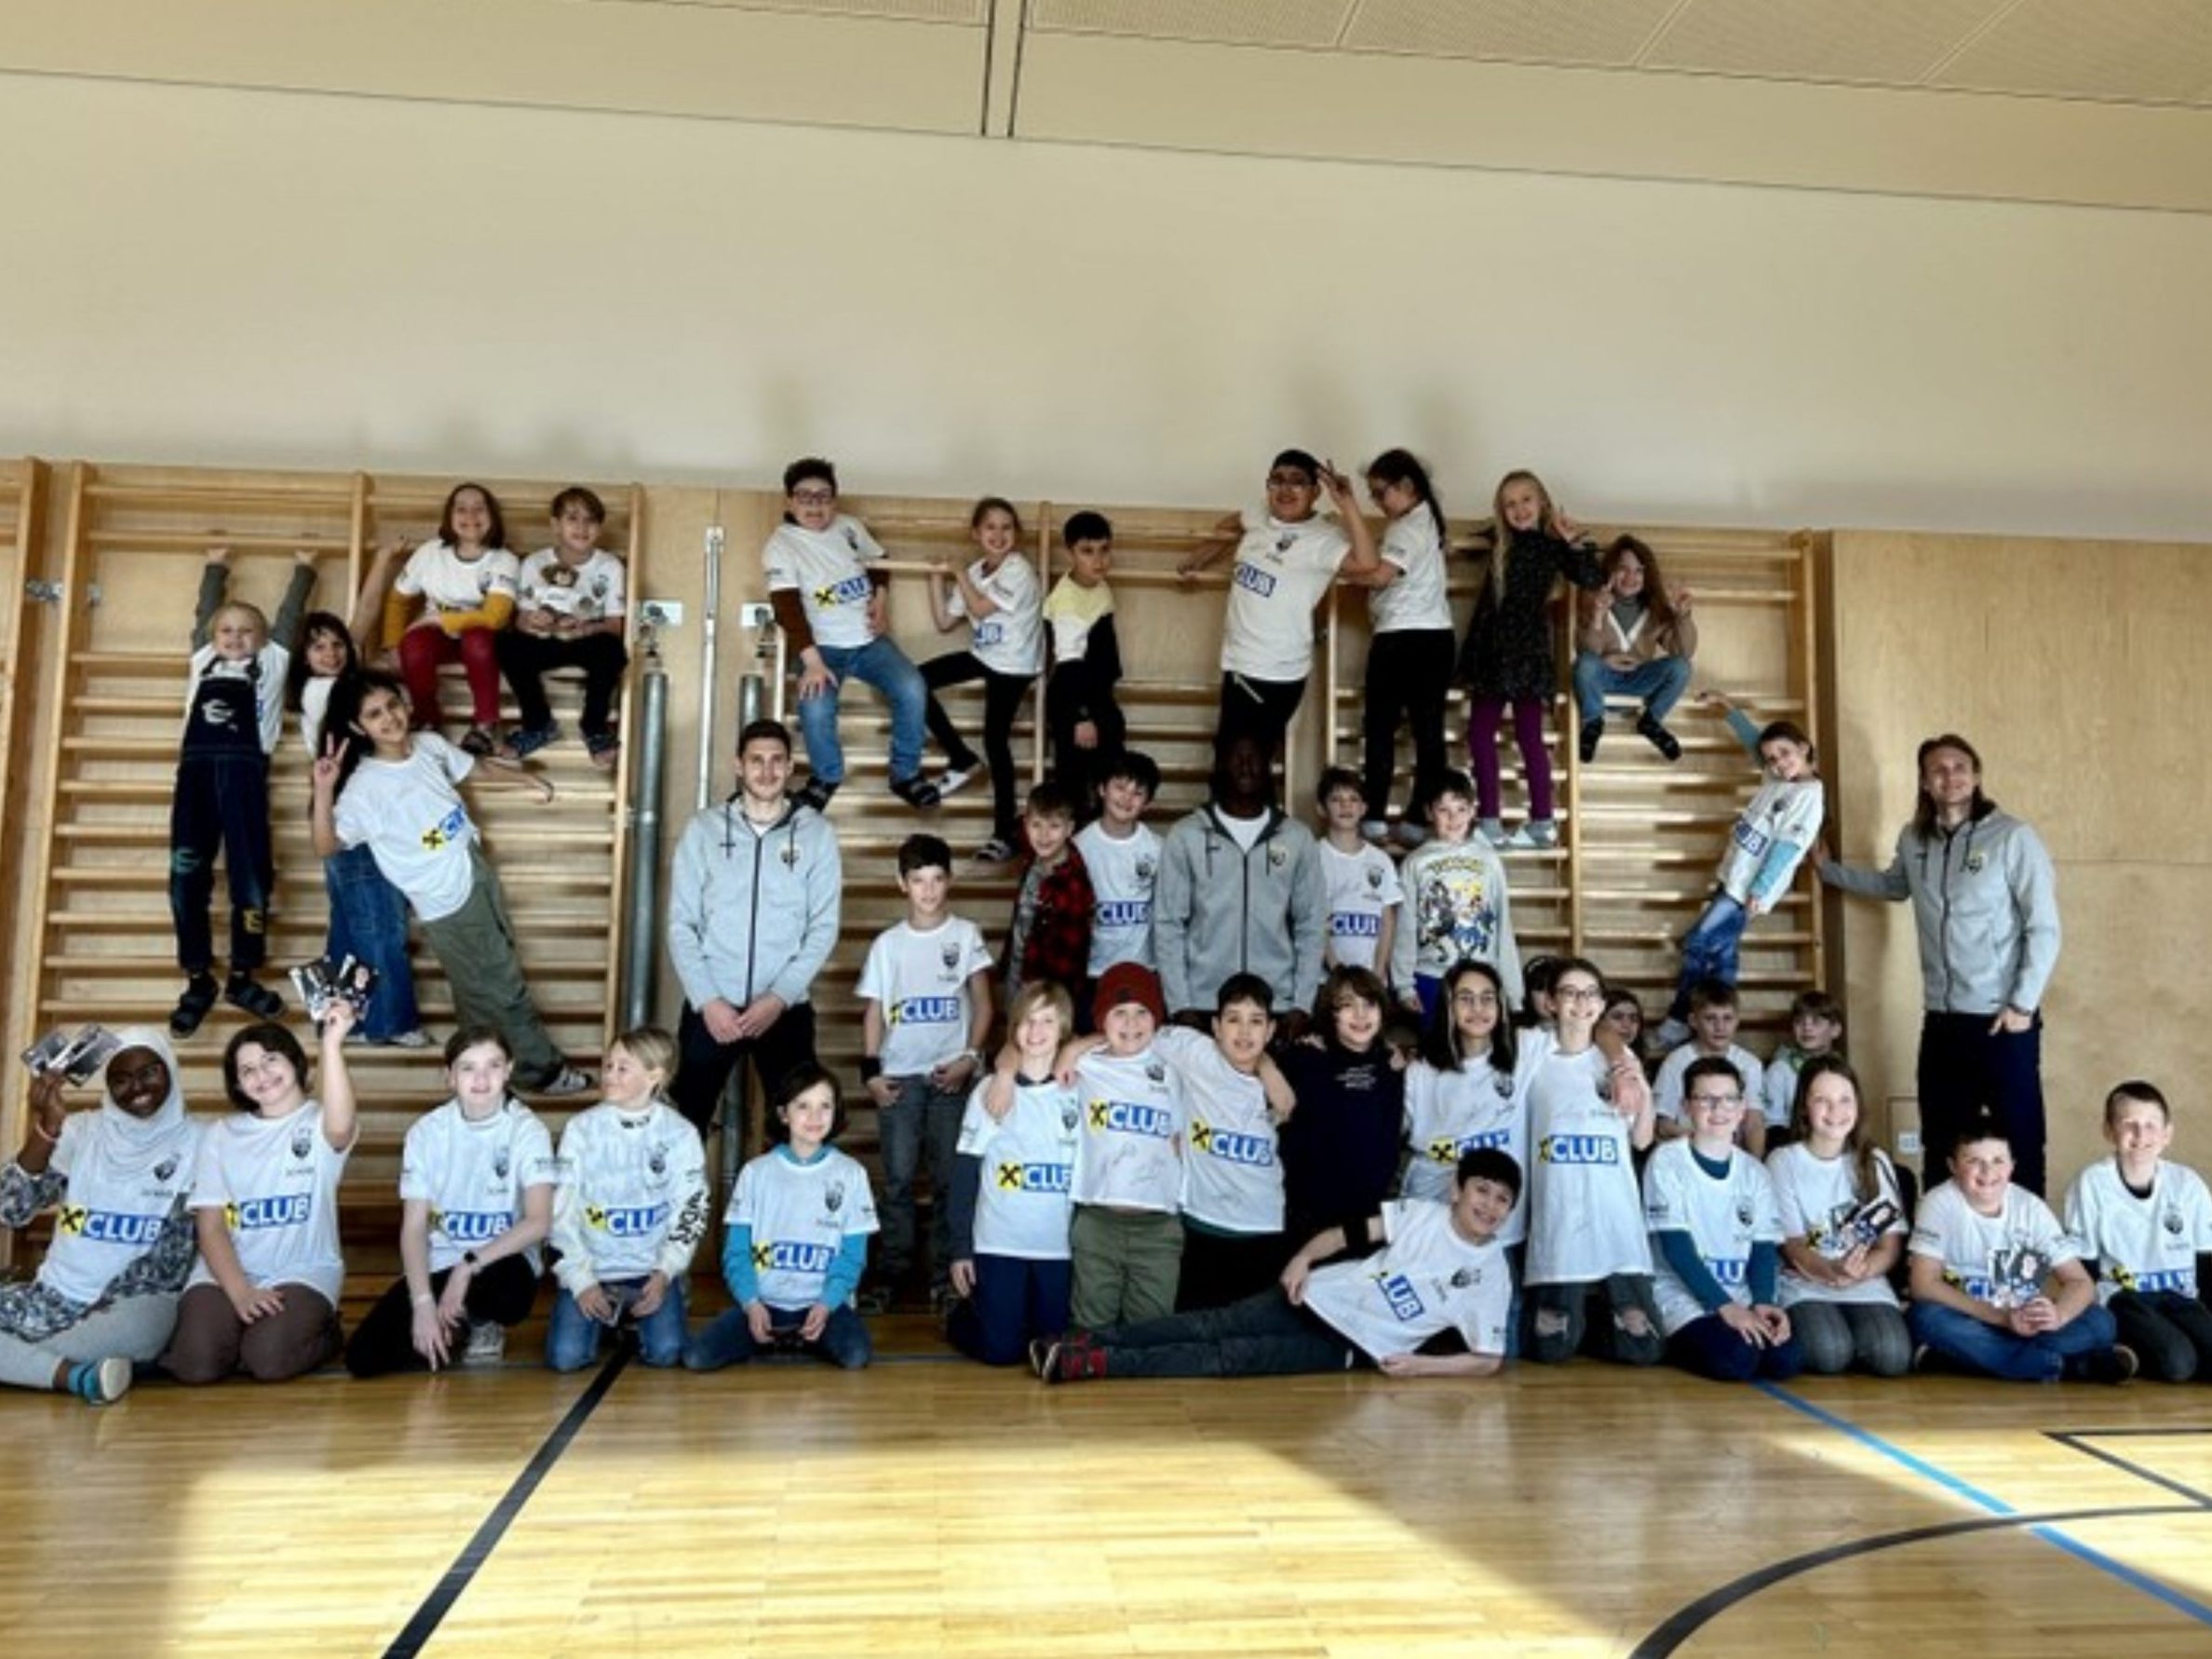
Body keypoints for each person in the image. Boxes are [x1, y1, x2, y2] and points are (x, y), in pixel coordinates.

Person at [313, 672, 589, 1095]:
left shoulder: (428, 745)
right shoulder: (365, 788)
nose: (389, 718)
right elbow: (326, 844)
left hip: (474, 870)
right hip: (446, 900)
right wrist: (324, 790)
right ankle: (541, 1071)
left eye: (392, 705)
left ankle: (479, 1070)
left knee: (480, 988)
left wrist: (527, 779)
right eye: (374, 714)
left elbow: (476, 767)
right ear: (358, 726)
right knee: (503, 986)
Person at [1036, 1148, 1519, 1383]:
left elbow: (1488, 1359)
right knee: (1212, 1324)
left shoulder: (1492, 1274)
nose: (1490, 1206)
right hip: (1311, 1295)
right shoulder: (1422, 1215)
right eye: (1481, 1190)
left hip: (1347, 1345)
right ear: (1457, 1190)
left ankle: (1095, 1364)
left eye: (1502, 1200)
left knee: (1228, 1357)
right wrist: (1302, 1258)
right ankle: (1092, 1340)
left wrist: (1421, 1366)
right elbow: (1345, 1235)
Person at [1818, 734, 2060, 1193]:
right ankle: (1937, 1235)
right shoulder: (1914, 839)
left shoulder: (2013, 837)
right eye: (1939, 769)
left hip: (2002, 1021)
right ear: (1925, 782)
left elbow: (2044, 928)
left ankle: (2026, 1237)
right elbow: (1893, 886)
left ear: (1977, 776)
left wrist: (2022, 1005)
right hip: (1944, 1021)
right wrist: (1828, 871)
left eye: (1960, 767)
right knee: (1942, 1141)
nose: (1951, 776)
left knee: (2021, 1141)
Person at [344, 1026, 558, 1376]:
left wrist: (467, 1267)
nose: (481, 1079)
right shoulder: (427, 1132)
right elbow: (414, 1228)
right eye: (468, 1067)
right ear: (450, 1076)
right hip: (441, 1262)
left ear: (508, 1070)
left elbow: (539, 1222)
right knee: (363, 1359)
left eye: (492, 1066)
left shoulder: (527, 1130)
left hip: (499, 1263)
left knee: (508, 1293)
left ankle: (481, 1319)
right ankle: (454, 1323)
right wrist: (422, 1303)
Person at [0, 1032, 200, 1404]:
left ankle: (30, 1364)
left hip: (133, 1303)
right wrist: (48, 1127)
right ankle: (77, 1376)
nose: (136, 1088)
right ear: (107, 1086)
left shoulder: (201, 1143)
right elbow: (10, 1207)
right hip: (53, 1298)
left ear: (170, 1070)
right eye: (121, 1079)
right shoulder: (81, 1131)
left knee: (140, 1330)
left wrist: (105, 1297)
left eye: (149, 1072)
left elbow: (176, 1259)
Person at [164, 1008, 358, 1383]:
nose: (262, 1074)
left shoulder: (319, 1123)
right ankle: (239, 1334)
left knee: (268, 1360)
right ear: (238, 1085)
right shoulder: (220, 1134)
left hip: (302, 1271)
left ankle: (327, 1330)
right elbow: (211, 1227)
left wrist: (332, 1043)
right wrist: (240, 1292)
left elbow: (340, 1126)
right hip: (228, 1273)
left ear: (295, 1062)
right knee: (197, 1365)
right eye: (248, 1070)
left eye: (271, 1060)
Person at [665, 719, 840, 1136]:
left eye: (777, 761)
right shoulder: (704, 829)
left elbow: (823, 927)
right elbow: (681, 924)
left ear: (790, 767)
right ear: (738, 766)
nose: (767, 770)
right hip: (712, 1008)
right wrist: (708, 1000)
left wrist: (779, 997)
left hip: (784, 1009)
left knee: (800, 1129)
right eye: (756, 760)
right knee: (684, 1125)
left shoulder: (817, 834)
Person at [168, 546, 316, 1035]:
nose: (235, 638)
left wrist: (304, 568)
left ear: (264, 637)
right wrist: (215, 566)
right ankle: (197, 979)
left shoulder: (273, 661)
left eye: (246, 631)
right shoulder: (202, 658)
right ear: (212, 638)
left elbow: (290, 617)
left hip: (245, 779)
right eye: (226, 631)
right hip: (194, 781)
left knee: (251, 877)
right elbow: (205, 612)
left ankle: (241, 976)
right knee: (186, 878)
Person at [287, 545, 425, 1047]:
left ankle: (343, 1018)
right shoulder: (325, 693)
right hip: (354, 819)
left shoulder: (343, 683)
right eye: (317, 647)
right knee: (381, 925)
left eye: (336, 644)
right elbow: (362, 629)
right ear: (303, 659)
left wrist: (384, 562)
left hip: (342, 816)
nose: (331, 653)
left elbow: (362, 621)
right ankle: (392, 1022)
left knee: (349, 926)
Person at [858, 832, 995, 1311]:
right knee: (897, 1180)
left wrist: (970, 1058)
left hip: (949, 1077)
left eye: (937, 879)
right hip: (900, 1077)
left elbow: (984, 1004)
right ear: (902, 884)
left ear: (949, 880)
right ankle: (892, 1273)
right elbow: (874, 1012)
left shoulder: (966, 935)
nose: (929, 890)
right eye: (919, 880)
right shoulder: (887, 945)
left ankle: (944, 1276)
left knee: (947, 1180)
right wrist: (871, 1072)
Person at [1176, 450, 1381, 763]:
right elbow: (1233, 523)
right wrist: (1200, 557)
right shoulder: (1259, 514)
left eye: (1297, 482)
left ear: (1315, 492)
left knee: (1245, 763)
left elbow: (1367, 564)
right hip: (1238, 663)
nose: (1285, 490)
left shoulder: (1324, 539)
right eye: (1277, 480)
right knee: (1231, 758)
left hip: (1276, 671)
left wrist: (1347, 504)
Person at [762, 456, 938, 812]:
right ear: (790, 501)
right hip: (821, 647)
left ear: (834, 499)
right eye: (805, 497)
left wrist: (880, 601)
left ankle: (905, 774)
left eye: (823, 496)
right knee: (815, 707)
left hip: (868, 641)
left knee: (912, 687)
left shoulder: (849, 527)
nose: (815, 505)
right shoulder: (781, 545)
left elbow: (880, 563)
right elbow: (787, 610)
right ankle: (826, 776)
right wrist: (812, 663)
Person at [1906, 1114, 2135, 1383]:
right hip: (1971, 1317)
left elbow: (2080, 1282)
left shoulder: (2031, 1207)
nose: (1988, 1172)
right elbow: (1923, 1284)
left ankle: (1965, 1360)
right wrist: (2000, 1318)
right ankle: (2069, 1367)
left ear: (2012, 1166)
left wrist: (2058, 1316)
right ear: (1953, 1166)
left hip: (2027, 1323)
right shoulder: (1938, 1203)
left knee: (2101, 1322)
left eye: (1998, 1161)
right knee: (1926, 1319)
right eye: (1974, 1161)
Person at [684, 1065, 879, 1371]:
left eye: (824, 1106)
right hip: (764, 1303)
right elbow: (737, 1252)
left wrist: (826, 1304)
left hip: (822, 1306)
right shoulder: (756, 1173)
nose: (815, 1117)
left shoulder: (851, 1174)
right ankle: (774, 1334)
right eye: (803, 1106)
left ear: (836, 1112)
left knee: (856, 1355)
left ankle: (803, 1336)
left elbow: (852, 1256)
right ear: (783, 1114)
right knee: (697, 1358)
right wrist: (751, 1303)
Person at [1656, 694, 1823, 1045]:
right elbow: (1753, 741)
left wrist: (1759, 890)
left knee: (1698, 943)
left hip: (1746, 890)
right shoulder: (1776, 780)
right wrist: (1728, 708)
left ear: (1804, 748)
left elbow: (1786, 849)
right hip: (1733, 879)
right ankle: (1718, 1025)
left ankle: (1680, 1017)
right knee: (1722, 955)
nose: (1779, 763)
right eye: (1772, 759)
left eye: (1786, 754)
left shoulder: (1808, 796)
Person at [1524, 958, 1663, 1367]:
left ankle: (1598, 1316)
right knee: (1551, 1348)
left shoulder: (1619, 1060)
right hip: (1559, 1221)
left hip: (1614, 1218)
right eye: (1569, 993)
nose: (1580, 1002)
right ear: (1551, 1002)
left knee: (1644, 1347)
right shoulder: (1532, 1051)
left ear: (1601, 1004)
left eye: (1590, 994)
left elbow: (1642, 1138)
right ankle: (1579, 1320)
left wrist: (1636, 1084)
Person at [1455, 470, 1604, 848]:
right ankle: (1495, 819)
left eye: (1526, 500)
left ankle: (1539, 820)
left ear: (1543, 503)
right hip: (1494, 649)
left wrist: (1572, 541)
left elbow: (1591, 577)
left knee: (1527, 736)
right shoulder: (1500, 541)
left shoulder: (1552, 545)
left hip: (1523, 650)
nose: (1519, 509)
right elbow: (1470, 539)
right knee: (1482, 734)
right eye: (1510, 504)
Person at [546, 1028, 708, 1372]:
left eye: (623, 1068)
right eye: (608, 1066)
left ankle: (645, 1311)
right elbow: (560, 1214)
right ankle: (608, 1318)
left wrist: (665, 1273)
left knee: (667, 1353)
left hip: (649, 1273)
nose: (610, 1075)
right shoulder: (580, 1129)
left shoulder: (681, 1134)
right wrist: (581, 1282)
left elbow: (691, 1211)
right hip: (593, 1270)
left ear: (655, 1076)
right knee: (566, 1358)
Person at [944, 981, 1080, 1366]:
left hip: (1058, 1246)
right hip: (999, 1242)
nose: (1036, 1032)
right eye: (1027, 1021)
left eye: (1047, 1021)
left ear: (1063, 1029)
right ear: (1014, 1027)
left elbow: (1119, 1040)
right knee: (1001, 1351)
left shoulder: (1079, 1087)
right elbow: (965, 1173)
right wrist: (960, 1249)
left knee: (1050, 1343)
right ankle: (963, 1313)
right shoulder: (990, 1090)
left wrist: (1076, 1049)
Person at [1153, 733, 1326, 1033]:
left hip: (1276, 1005)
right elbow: (1168, 924)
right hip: (1203, 1004)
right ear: (1221, 764)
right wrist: (1180, 1003)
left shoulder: (1297, 837)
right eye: (1237, 757)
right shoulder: (1185, 835)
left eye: (1254, 758)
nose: (1246, 766)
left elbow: (1311, 925)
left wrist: (1302, 1004)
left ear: (1268, 765)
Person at [1645, 1058, 1802, 1382]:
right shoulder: (1667, 1161)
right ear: (1686, 1106)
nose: (1719, 1109)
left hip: (1740, 1295)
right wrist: (1724, 1307)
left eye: (1729, 1099)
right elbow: (1676, 1249)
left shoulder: (1755, 1172)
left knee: (1785, 1360)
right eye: (1706, 1099)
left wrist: (1762, 1303)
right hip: (1684, 1297)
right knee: (1736, 1359)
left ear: (1742, 1108)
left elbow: (1762, 1248)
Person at [1766, 1056, 1911, 1378]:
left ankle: (1862, 1338)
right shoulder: (1783, 1161)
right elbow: (1791, 1245)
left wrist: (1860, 1271)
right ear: (1804, 1107)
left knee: (1892, 1356)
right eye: (1822, 1100)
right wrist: (1832, 1270)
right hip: (1806, 1282)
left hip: (1865, 1282)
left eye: (1845, 1099)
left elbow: (1889, 1246)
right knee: (1829, 1353)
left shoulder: (1874, 1160)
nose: (1835, 1111)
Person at [919, 496, 1044, 861]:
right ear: (976, 533)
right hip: (985, 656)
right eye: (990, 527)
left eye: (1006, 527)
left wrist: (957, 572)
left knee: (995, 740)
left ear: (1016, 534)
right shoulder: (974, 572)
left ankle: (1005, 833)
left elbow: (979, 608)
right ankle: (961, 756)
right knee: (915, 682)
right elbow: (945, 621)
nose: (999, 535)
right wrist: (935, 577)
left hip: (1015, 664)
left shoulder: (1017, 569)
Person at [2063, 1082, 2212, 1382]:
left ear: (2167, 1134)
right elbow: (2083, 1265)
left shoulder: (2187, 1184)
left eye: (2150, 1125)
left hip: (2180, 1298)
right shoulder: (2092, 1183)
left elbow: (2206, 1259)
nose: (2141, 1135)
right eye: (2129, 1124)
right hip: (2124, 1299)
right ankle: (2116, 1351)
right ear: (2109, 1131)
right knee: (2178, 1364)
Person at [1064, 965, 1186, 1329]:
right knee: (1091, 1326)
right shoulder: (1084, 1064)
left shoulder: (1176, 1066)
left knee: (1150, 1332)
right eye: (1119, 1012)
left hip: (1158, 1225)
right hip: (1098, 1219)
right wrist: (1077, 1046)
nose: (1131, 1023)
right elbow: (1024, 1047)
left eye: (1142, 1012)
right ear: (1101, 1018)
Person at [1344, 449, 1456, 844]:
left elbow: (1380, 577)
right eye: (1372, 495)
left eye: (1381, 493)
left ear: (1407, 486)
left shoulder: (1407, 528)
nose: (1377, 502)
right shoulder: (1424, 520)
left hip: (1406, 637)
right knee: (1426, 731)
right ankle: (1416, 817)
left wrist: (1339, 570)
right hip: (1430, 637)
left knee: (1382, 727)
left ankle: (1376, 813)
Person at [495, 485, 630, 769]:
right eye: (572, 518)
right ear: (555, 525)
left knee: (612, 650)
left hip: (586, 640)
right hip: (544, 640)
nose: (582, 527)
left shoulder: (610, 567)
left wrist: (584, 628)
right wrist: (532, 621)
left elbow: (614, 625)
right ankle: (538, 725)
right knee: (507, 644)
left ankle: (594, 728)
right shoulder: (535, 563)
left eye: (590, 520)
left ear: (599, 528)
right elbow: (520, 619)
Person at [384, 482, 521, 757]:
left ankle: (485, 725)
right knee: (413, 645)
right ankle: (427, 720)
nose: (470, 516)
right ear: (449, 516)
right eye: (461, 509)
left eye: (479, 509)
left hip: (485, 641)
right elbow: (398, 600)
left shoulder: (504, 560)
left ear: (492, 516)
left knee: (477, 638)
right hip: (440, 639)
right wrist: (391, 644)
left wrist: (440, 620)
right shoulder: (430, 553)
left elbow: (494, 618)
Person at [1279, 966, 1407, 1249]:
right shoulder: (1306, 1058)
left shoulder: (1391, 1063)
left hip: (1368, 1216)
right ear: (1331, 1014)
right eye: (1347, 1005)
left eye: (1369, 1004)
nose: (1360, 1015)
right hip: (1310, 1217)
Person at [1390, 769, 1521, 1020]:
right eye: (1444, 810)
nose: (1453, 818)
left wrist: (1513, 993)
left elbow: (1504, 926)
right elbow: (1405, 927)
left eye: (1461, 809)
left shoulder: (1488, 860)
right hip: (1430, 976)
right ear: (1429, 813)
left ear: (1472, 811)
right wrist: (1404, 985)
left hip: (1481, 975)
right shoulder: (1415, 862)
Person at [1572, 534, 1696, 764]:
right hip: (1603, 680)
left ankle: (1652, 721)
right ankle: (1593, 723)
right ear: (1610, 570)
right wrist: (1598, 616)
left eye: (1639, 570)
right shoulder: (1592, 599)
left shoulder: (1655, 608)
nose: (1631, 577)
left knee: (1681, 667)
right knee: (1586, 664)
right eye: (1623, 569)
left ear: (1647, 576)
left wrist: (1682, 617)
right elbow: (1586, 651)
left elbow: (1683, 651)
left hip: (1639, 680)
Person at [1041, 510, 1126, 813]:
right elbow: (1068, 664)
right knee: (1075, 782)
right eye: (1087, 551)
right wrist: (1081, 717)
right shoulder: (1068, 601)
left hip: (1097, 694)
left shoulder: (1100, 586)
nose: (1098, 560)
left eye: (1104, 549)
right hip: (1074, 698)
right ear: (1071, 552)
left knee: (1110, 772)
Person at [1073, 749, 1160, 1019]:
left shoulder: (1158, 847)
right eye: (1120, 788)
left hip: (1143, 969)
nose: (1127, 798)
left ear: (1147, 802)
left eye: (1138, 793)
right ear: (1102, 789)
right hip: (1093, 972)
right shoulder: (1079, 846)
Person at [1001, 782, 1094, 1011]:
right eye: (1036, 825)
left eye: (1054, 826)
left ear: (1069, 828)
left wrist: (1044, 1002)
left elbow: (1067, 958)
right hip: (1019, 978)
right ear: (1026, 825)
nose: (1043, 835)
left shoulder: (1072, 882)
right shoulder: (1034, 861)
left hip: (1048, 995)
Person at [1652, 980, 1771, 1152]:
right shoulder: (1676, 1062)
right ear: (1693, 1021)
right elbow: (1663, 1125)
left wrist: (1755, 1163)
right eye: (1710, 1018)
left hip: (1733, 1153)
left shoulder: (1750, 1064)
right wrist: (1704, 1142)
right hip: (1688, 1150)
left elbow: (1754, 1123)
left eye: (1727, 1018)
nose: (1720, 1027)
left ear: (1737, 1020)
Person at [1315, 768, 1401, 976]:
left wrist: (1379, 971)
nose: (1346, 806)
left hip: (1371, 977)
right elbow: (1312, 920)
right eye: (1336, 799)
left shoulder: (1381, 860)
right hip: (1326, 979)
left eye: (1353, 799)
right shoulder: (1312, 857)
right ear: (1322, 808)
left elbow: (1387, 920)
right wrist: (1335, 968)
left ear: (1363, 808)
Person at [1763, 991, 1845, 1130]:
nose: (1807, 1028)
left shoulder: (1842, 1069)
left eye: (1816, 1022)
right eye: (1799, 1022)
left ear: (1835, 1030)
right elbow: (1773, 1123)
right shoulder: (1780, 1070)